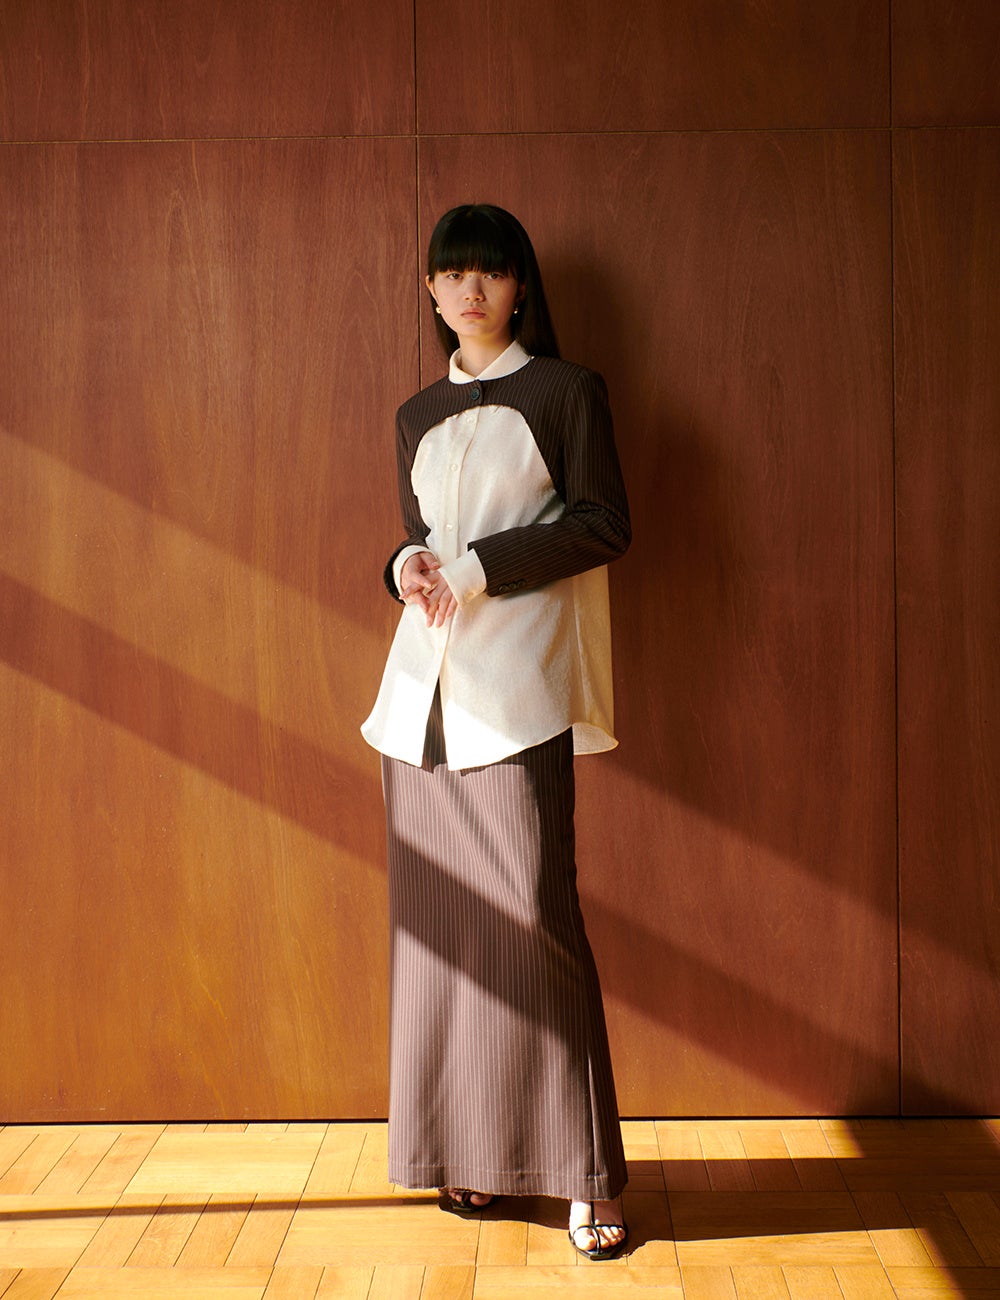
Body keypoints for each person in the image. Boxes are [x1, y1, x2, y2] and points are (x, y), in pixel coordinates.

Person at [361, 203, 631, 1261]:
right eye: (451, 274)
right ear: (430, 291)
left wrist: (475, 569)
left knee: (532, 921)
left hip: (515, 694)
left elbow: (603, 522)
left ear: (519, 287)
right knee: (444, 938)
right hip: (417, 706)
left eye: (489, 272)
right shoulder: (415, 413)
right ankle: (469, 1154)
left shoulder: (566, 392)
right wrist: (405, 564)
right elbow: (419, 534)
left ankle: (587, 1179)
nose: (468, 290)